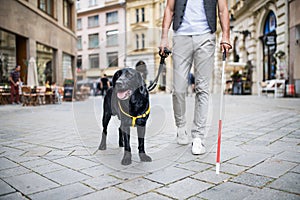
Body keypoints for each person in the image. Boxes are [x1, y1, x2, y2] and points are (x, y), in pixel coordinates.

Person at [160, 0, 232, 155]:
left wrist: (226, 35)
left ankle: (198, 137)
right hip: (181, 36)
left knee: (202, 88)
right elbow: (169, 9)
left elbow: (223, 9)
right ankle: (181, 127)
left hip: (206, 36)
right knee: (178, 88)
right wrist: (164, 37)